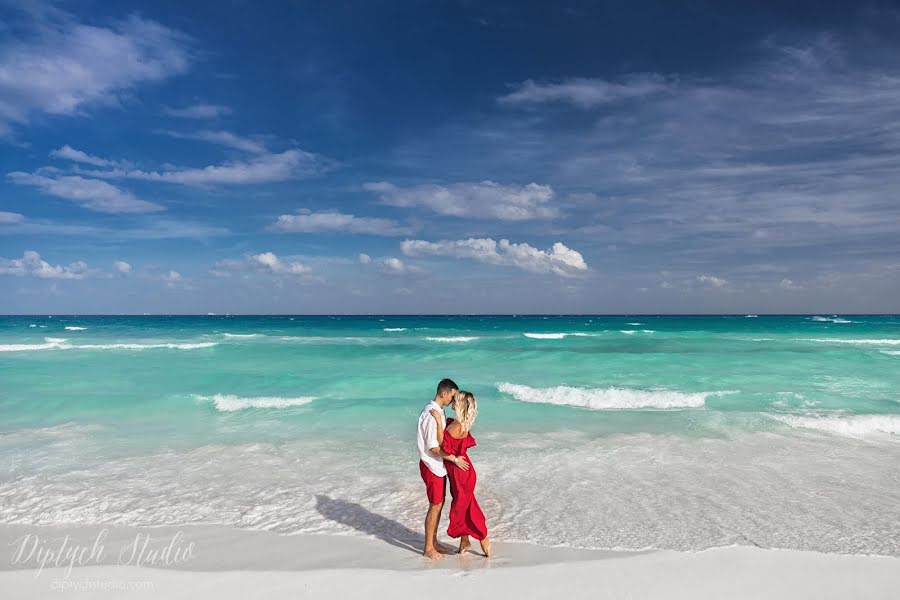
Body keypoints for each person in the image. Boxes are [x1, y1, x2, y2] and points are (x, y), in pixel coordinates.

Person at [430, 390, 491, 557]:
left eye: (455, 400)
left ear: (460, 405)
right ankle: (465, 540)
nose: (452, 402)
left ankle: (483, 536)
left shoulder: (457, 426)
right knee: (463, 504)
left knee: (466, 505)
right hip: (459, 470)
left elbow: (442, 445)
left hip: (461, 472)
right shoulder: (459, 423)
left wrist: (436, 421)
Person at [417, 378, 469, 559]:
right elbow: (434, 447)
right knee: (435, 505)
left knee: (439, 504)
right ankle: (428, 548)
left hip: (438, 466)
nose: (452, 401)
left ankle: (434, 542)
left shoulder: (438, 411)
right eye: (452, 397)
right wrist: (454, 458)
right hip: (432, 465)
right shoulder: (432, 414)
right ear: (444, 393)